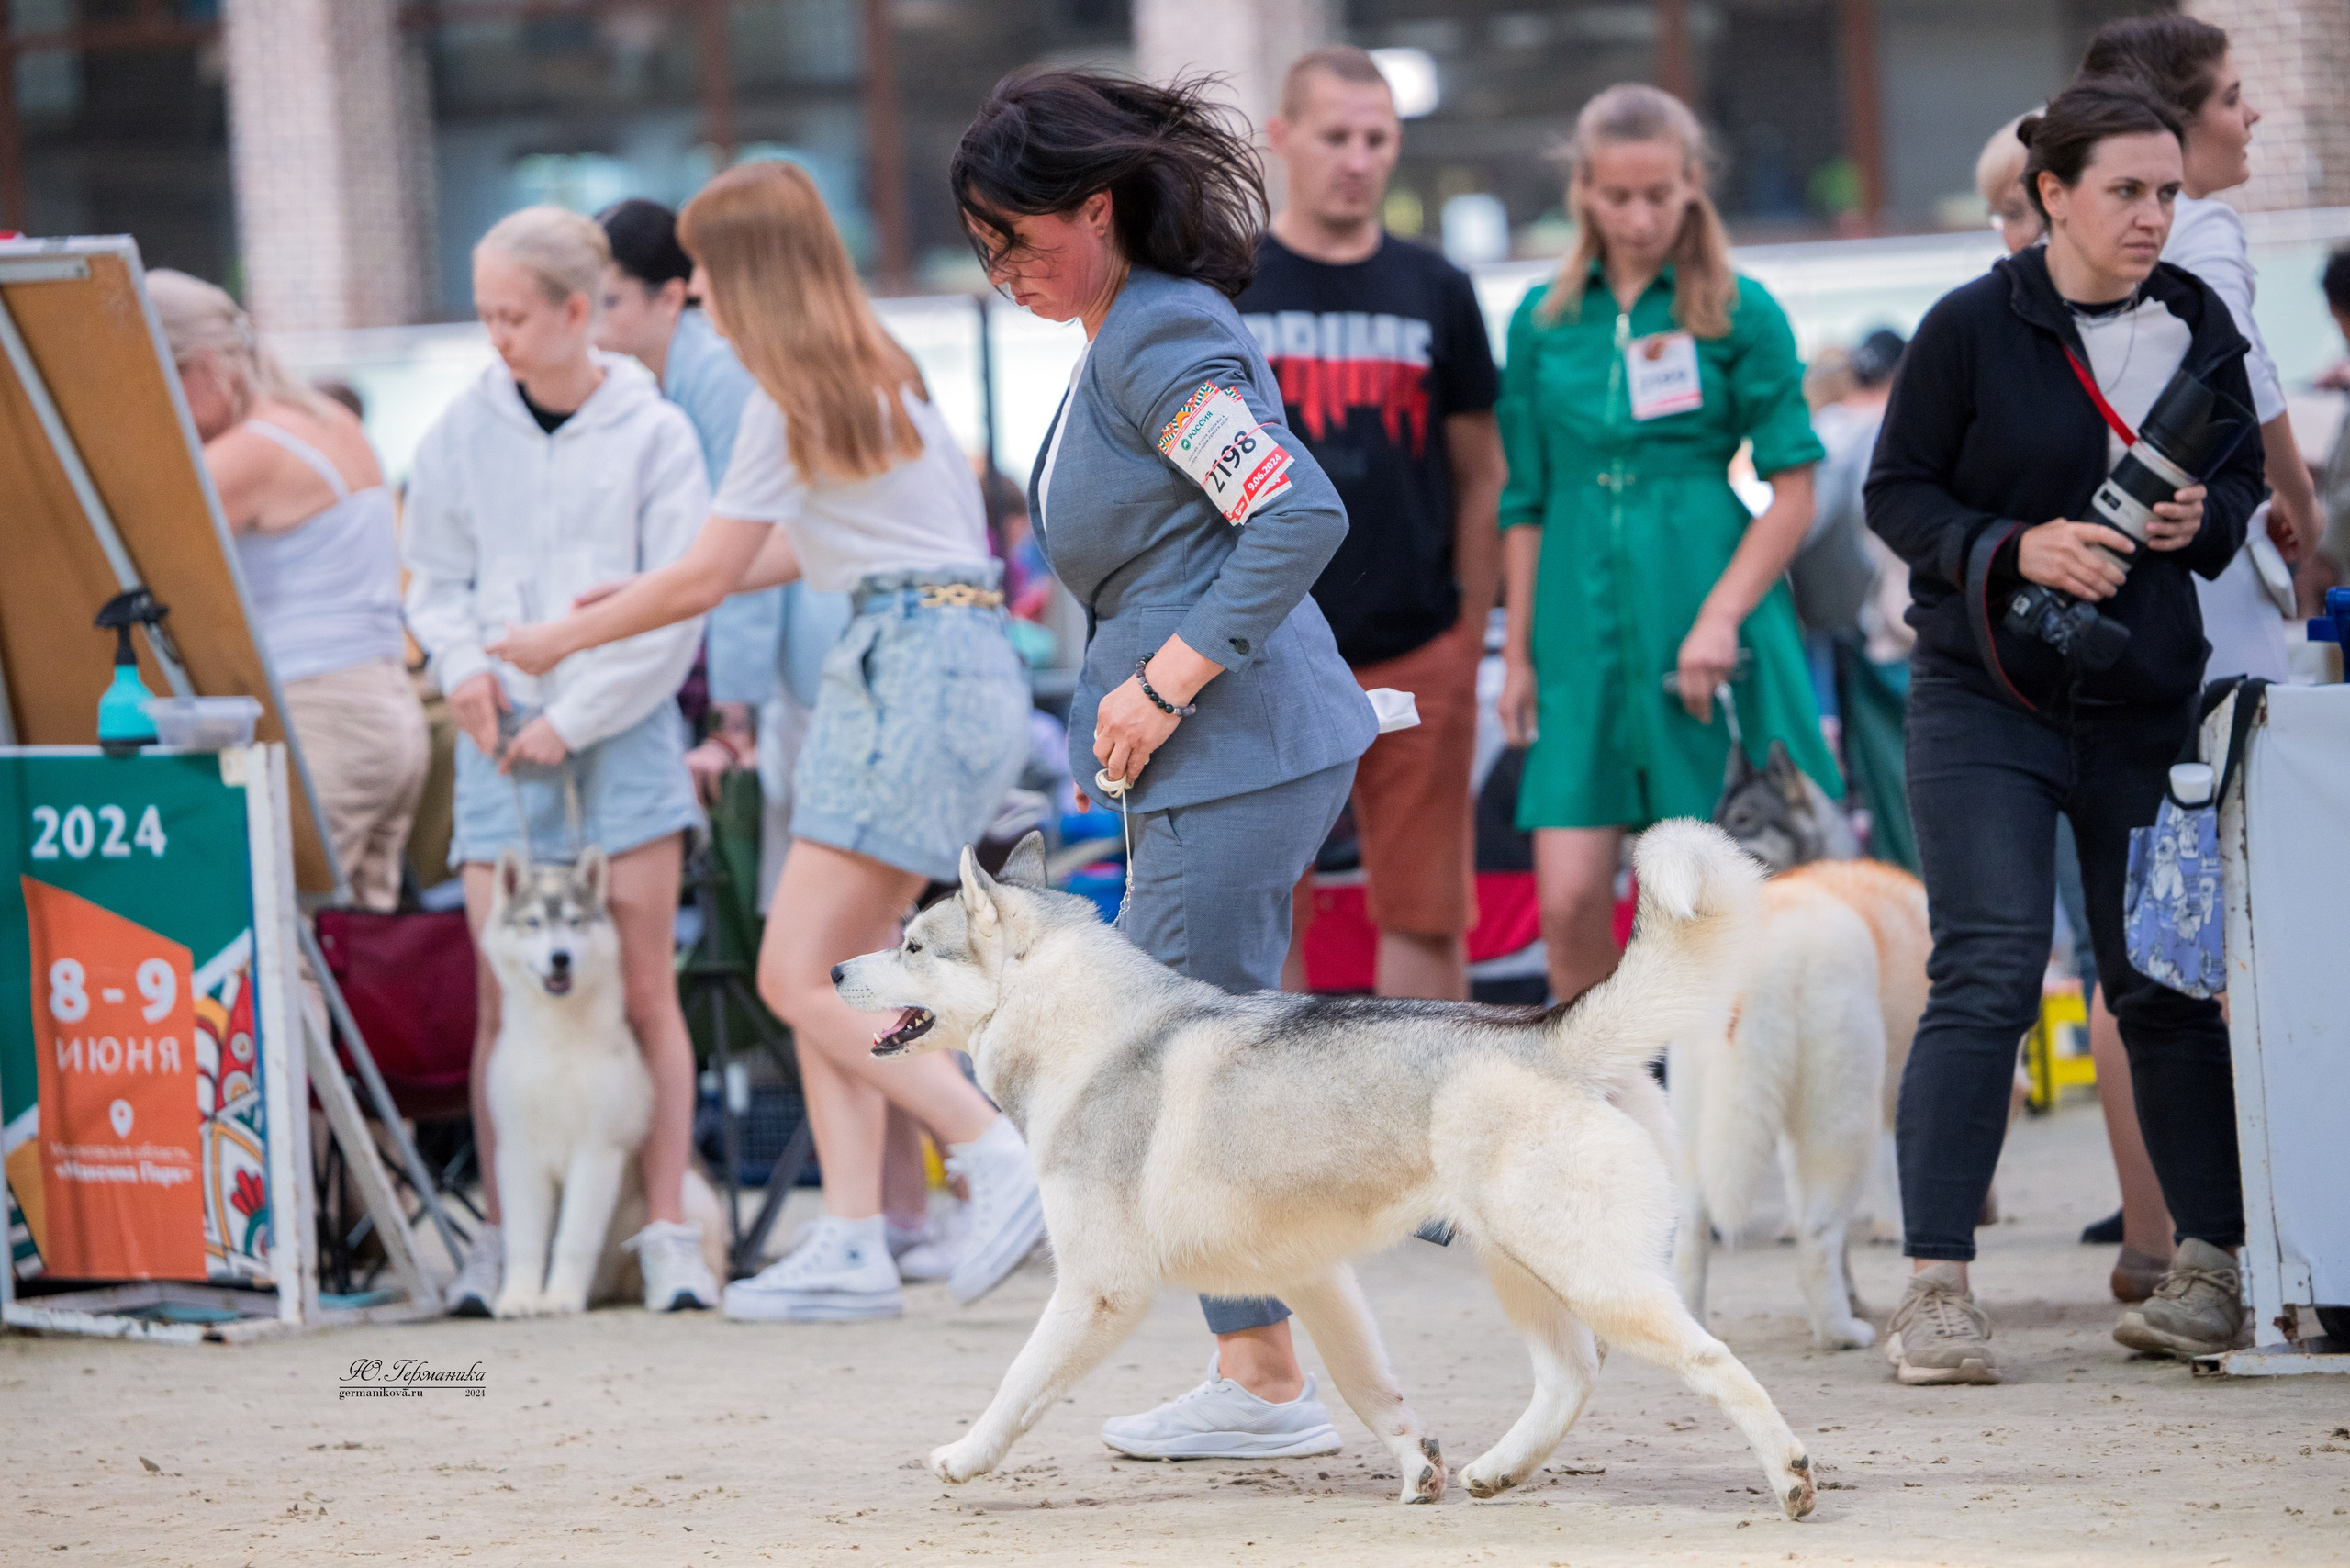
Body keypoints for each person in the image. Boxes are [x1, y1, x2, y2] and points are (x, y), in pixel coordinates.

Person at [487, 162, 1046, 1323]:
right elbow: (815, 547)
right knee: (842, 964)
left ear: (741, 272)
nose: (695, 291)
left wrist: (555, 638)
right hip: (951, 661)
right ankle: (854, 1236)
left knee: (795, 972)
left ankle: (993, 1154)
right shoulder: (873, 372)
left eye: (703, 269)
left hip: (900, 671)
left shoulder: (780, 394)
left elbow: (708, 576)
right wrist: (627, 598)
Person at [952, 67, 1377, 1461]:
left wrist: (1161, 682)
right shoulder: (1133, 332)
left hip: (1229, 747)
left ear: (1097, 207)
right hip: (1224, 753)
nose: (1003, 269)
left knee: (1161, 1067)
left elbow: (1296, 513)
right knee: (1196, 1068)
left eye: (1018, 237)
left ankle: (1265, 1376)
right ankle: (1268, 1365)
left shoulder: (1157, 336)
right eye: (984, 247)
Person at [1865, 79, 2263, 1381]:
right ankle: (1934, 1289)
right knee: (1987, 970)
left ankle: (2208, 1270)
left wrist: (2198, 520)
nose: (2153, 216)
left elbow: (2242, 484)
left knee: (2161, 981)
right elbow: (1896, 495)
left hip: (2141, 702)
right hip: (1982, 695)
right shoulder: (1969, 326)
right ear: (2052, 195)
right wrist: (2013, 545)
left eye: (2167, 193)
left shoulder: (2198, 319)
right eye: (2125, 191)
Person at [1495, 83, 1833, 1009]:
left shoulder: (1741, 311)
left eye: (1658, 194)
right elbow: (1522, 500)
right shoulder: (1541, 320)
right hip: (1576, 630)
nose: (1639, 217)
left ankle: (1722, 1091)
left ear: (1693, 183)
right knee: (1568, 901)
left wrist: (1723, 615)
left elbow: (1794, 490)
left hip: (1703, 615)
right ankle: (1601, 1089)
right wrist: (1517, 652)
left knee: (1710, 905)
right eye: (1617, 195)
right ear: (1583, 191)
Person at [1237, 46, 1505, 1002]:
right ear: (1282, 138)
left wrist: (1467, 628)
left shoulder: (1436, 287)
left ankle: (1417, 1102)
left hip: (1416, 641)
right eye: (1335, 136)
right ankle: (1272, 1106)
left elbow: (1482, 472)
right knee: (1263, 911)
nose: (1357, 160)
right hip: (1263, 647)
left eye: (1376, 139)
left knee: (1425, 909)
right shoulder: (1229, 284)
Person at [151, 271, 429, 913]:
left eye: (162, 381)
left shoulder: (248, 452)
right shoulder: (328, 420)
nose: (157, 406)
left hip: (321, 714)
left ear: (208, 367)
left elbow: (140, 562)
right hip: (385, 709)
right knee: (345, 942)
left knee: (264, 931)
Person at [2085, 14, 2315, 684]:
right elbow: (2238, 368)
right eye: (2231, 97)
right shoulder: (2199, 223)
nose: (2252, 115)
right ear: (2173, 123)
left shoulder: (2074, 241)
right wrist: (2300, 498)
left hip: (2100, 564)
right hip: (2199, 565)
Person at [1801, 328, 1919, 874]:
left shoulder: (1833, 432)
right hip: (1896, 630)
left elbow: (1811, 527)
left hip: (1869, 631)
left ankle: (1908, 895)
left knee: (1897, 788)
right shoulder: (1895, 426)